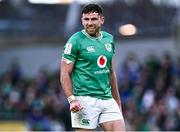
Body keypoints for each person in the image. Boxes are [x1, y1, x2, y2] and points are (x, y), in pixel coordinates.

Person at [60, 3, 125, 131]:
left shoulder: (109, 39)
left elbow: (111, 73)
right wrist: (71, 99)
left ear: (102, 20)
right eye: (86, 19)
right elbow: (64, 73)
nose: (89, 23)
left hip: (107, 99)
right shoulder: (75, 41)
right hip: (84, 100)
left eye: (93, 19)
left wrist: (117, 101)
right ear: (82, 20)